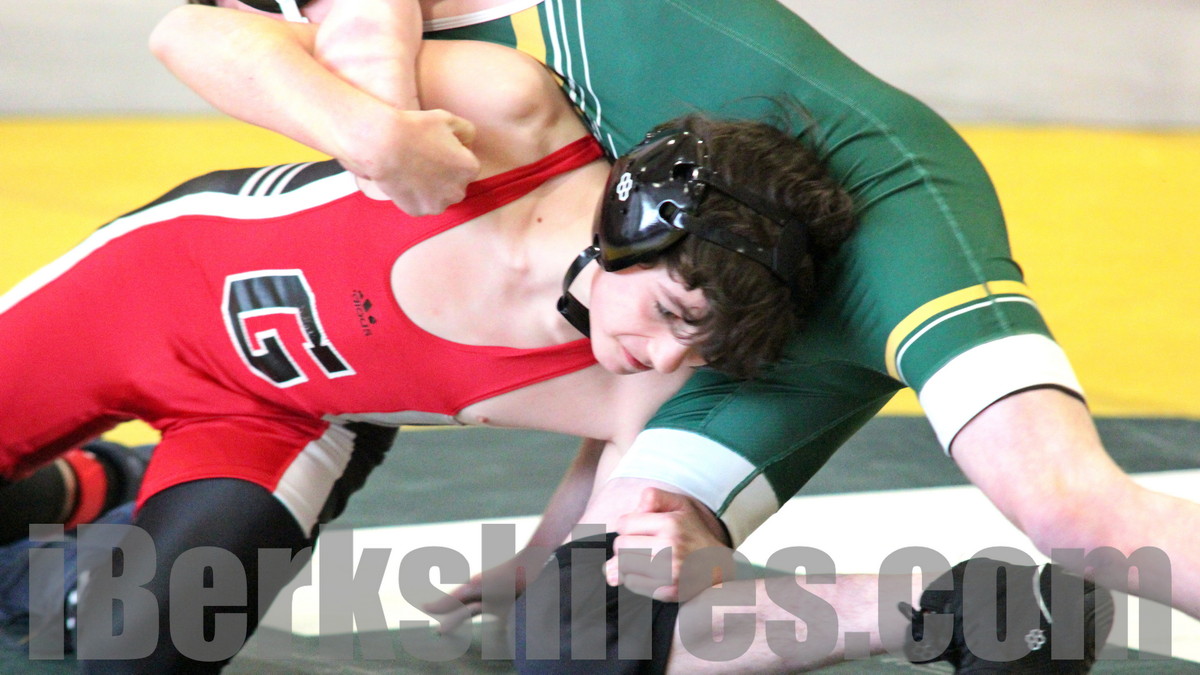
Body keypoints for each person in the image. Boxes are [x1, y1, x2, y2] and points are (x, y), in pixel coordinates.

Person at [149, 1, 1181, 671]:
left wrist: (370, 130)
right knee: (582, 627)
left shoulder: (401, 51)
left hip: (877, 228)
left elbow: (203, 39)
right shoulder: (425, 64)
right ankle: (958, 611)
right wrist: (561, 546)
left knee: (1070, 503)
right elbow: (625, 357)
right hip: (720, 322)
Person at [0, 33, 864, 672]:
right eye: (673, 313)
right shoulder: (513, 122)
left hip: (287, 421)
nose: (669, 357)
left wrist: (534, 564)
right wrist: (367, 131)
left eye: (703, 342)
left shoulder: (639, 387)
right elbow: (191, 34)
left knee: (138, 649)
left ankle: (81, 518)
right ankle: (84, 485)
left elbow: (601, 522)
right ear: (633, 229)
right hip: (138, 296)